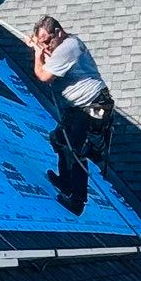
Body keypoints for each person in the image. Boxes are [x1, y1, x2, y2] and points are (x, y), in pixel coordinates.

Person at [28, 14, 112, 214]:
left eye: (48, 41)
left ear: (58, 32)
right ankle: (66, 182)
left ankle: (77, 202)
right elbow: (52, 60)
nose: (46, 46)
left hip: (94, 105)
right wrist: (40, 48)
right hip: (81, 107)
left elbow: (44, 76)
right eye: (43, 43)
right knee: (58, 139)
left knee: (76, 150)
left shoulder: (68, 47)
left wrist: (37, 54)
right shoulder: (64, 45)